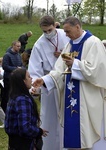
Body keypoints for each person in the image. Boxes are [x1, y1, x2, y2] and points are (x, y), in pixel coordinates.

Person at [32, 16, 106, 149]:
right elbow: (59, 70)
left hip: (87, 99)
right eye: (65, 32)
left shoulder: (94, 43)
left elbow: (98, 70)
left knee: (88, 136)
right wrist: (44, 80)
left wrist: (75, 64)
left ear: (77, 27)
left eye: (67, 31)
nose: (65, 34)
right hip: (71, 98)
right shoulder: (69, 45)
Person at [28, 15, 69, 150]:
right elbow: (34, 70)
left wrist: (65, 54)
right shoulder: (39, 45)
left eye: (49, 30)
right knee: (50, 119)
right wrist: (35, 87)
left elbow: (79, 53)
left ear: (54, 26)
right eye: (44, 31)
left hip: (67, 82)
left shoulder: (66, 35)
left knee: (67, 117)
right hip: (49, 85)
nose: (47, 34)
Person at [5, 68, 48, 150]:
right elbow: (25, 128)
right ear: (23, 81)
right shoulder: (22, 100)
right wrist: (39, 132)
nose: (31, 78)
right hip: (23, 143)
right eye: (28, 77)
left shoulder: (14, 96)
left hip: (14, 142)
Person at [2, 40, 24, 112]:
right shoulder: (7, 55)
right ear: (13, 46)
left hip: (16, 78)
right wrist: (16, 69)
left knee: (15, 94)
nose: (19, 48)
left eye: (20, 46)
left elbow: (21, 65)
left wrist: (22, 69)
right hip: (8, 78)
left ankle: (13, 108)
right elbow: (5, 66)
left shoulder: (18, 55)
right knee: (7, 94)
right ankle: (4, 109)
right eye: (17, 46)